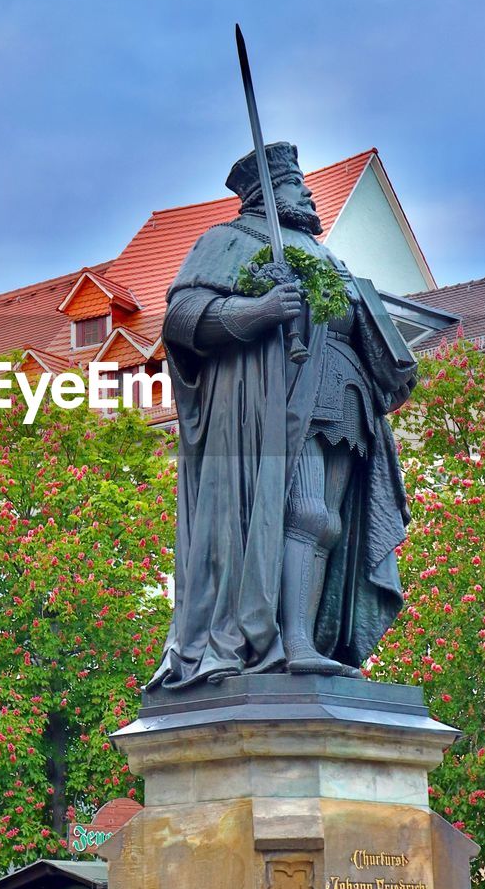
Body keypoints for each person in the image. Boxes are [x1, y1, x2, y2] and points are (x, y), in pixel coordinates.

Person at [147, 142, 416, 689]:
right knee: (307, 514)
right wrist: (258, 311)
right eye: (297, 185)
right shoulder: (229, 240)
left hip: (347, 400)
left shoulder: (330, 258)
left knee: (330, 526)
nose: (310, 192)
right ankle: (290, 644)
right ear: (266, 194)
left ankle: (309, 640)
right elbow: (182, 318)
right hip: (279, 400)